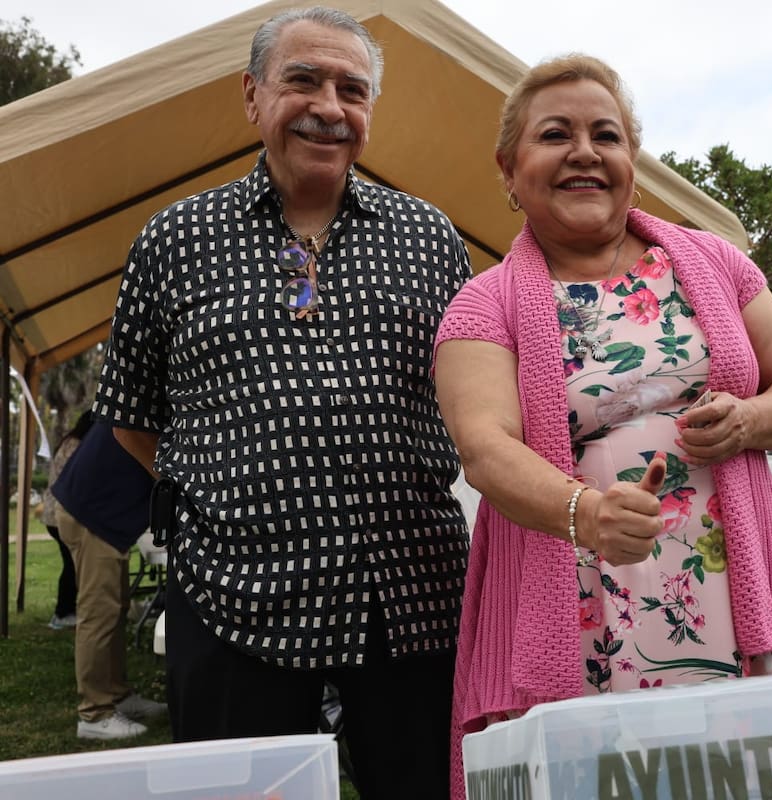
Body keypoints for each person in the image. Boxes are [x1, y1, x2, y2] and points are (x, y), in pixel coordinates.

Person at [91, 7, 471, 797]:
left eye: (352, 90)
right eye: (303, 80)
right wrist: (234, 494)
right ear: (252, 95)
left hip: (412, 595)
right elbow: (130, 413)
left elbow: (476, 392)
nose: (329, 107)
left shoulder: (431, 237)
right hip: (236, 597)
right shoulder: (175, 240)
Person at [433, 54, 772, 798]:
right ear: (509, 169)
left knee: (742, 776)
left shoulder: (715, 261)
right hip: (581, 601)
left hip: (727, 590)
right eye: (556, 134)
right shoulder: (482, 305)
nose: (585, 152)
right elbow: (485, 450)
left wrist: (748, 418)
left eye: (606, 135)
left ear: (632, 161)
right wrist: (585, 514)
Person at [53, 419, 166, 739]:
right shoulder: (150, 398)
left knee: (114, 608)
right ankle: (94, 713)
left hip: (100, 510)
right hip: (93, 511)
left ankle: (117, 694)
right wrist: (171, 478)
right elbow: (131, 435)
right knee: (99, 614)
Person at [41, 411, 93, 630]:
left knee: (71, 565)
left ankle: (66, 611)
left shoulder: (69, 442)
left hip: (54, 514)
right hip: (60, 515)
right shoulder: (76, 446)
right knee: (72, 566)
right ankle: (63, 613)